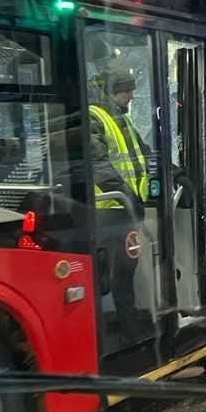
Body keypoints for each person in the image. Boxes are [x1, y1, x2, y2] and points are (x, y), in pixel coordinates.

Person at [89, 67, 151, 322]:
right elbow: (98, 164)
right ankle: (123, 326)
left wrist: (175, 172)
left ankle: (128, 319)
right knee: (115, 271)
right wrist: (126, 195)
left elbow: (143, 152)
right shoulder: (94, 118)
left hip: (124, 208)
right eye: (127, 91)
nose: (131, 97)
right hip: (108, 209)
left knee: (126, 268)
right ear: (112, 92)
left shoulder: (121, 119)